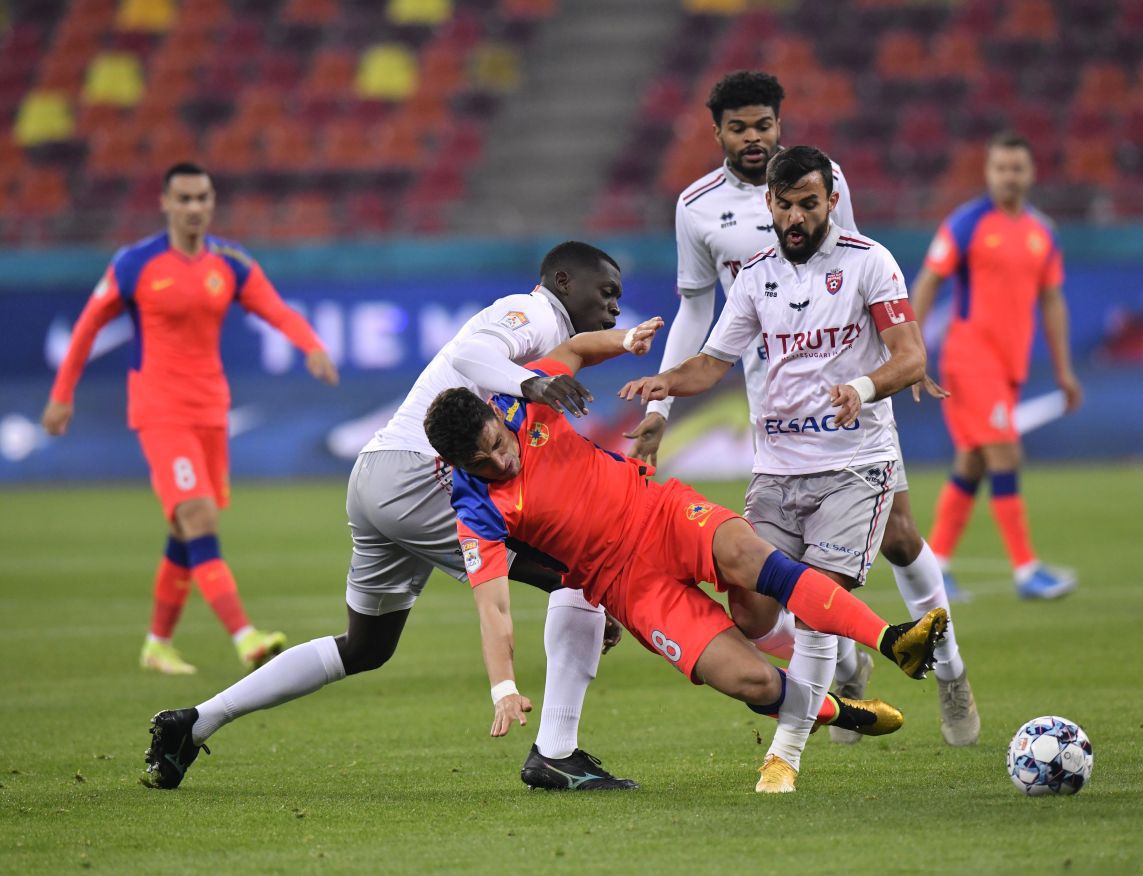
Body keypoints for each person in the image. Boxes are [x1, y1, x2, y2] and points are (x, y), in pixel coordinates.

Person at [142, 242, 644, 792]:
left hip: (376, 479)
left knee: (366, 647)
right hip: (418, 474)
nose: (615, 305)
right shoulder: (531, 313)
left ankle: (194, 723)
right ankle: (557, 754)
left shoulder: (554, 334)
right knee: (580, 568)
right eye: (607, 291)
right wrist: (532, 382)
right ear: (565, 281)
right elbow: (469, 355)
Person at [625, 71, 976, 751]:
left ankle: (949, 671)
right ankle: (845, 660)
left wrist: (882, 371)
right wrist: (662, 407)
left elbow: (847, 273)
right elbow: (698, 309)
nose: (753, 138)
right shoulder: (695, 207)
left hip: (849, 391)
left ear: (780, 126)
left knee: (900, 536)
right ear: (718, 131)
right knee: (766, 591)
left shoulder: (823, 178)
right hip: (772, 395)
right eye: (739, 127)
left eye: (763, 125)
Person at [423, 335, 947, 789]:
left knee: (747, 555)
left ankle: (893, 639)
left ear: (496, 415)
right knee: (752, 683)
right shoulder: (474, 509)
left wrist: (626, 340)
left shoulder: (526, 398)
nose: (498, 461)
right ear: (455, 465)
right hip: (626, 585)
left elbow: (577, 349)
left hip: (660, 511)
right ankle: (844, 711)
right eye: (479, 463)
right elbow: (492, 608)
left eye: (495, 445)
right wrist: (505, 689)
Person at [42, 162, 339, 674]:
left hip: (210, 411)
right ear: (165, 203)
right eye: (184, 199)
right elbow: (88, 327)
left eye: (202, 198)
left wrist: (310, 345)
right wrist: (61, 395)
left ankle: (157, 644)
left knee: (187, 530)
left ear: (212, 201)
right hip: (159, 410)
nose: (194, 208)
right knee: (198, 516)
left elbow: (274, 308)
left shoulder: (230, 262)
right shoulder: (136, 263)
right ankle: (246, 638)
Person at [911, 131, 1082, 601]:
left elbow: (1052, 302)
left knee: (972, 461)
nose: (1009, 176)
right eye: (1001, 167)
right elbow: (927, 283)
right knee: (1005, 452)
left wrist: (1065, 370)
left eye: (1017, 168)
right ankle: (1027, 570)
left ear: (1030, 173)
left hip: (1010, 366)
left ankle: (936, 566)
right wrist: (914, 350)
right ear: (988, 173)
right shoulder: (966, 224)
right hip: (969, 359)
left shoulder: (1042, 232)